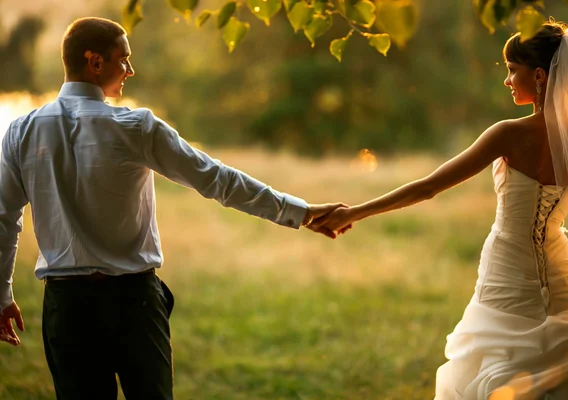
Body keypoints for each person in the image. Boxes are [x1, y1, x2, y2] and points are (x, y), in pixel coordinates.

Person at [0, 17, 347, 400]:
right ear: (95, 62)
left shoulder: (21, 131)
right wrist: (300, 212)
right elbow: (217, 179)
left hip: (65, 309)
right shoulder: (136, 127)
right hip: (133, 303)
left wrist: (2, 295)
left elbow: (3, 219)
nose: (130, 70)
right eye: (124, 60)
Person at [314, 20, 568, 399]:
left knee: (489, 372)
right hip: (566, 280)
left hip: (507, 276)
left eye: (512, 70)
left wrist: (354, 212)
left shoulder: (508, 134)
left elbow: (429, 186)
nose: (507, 80)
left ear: (540, 75)